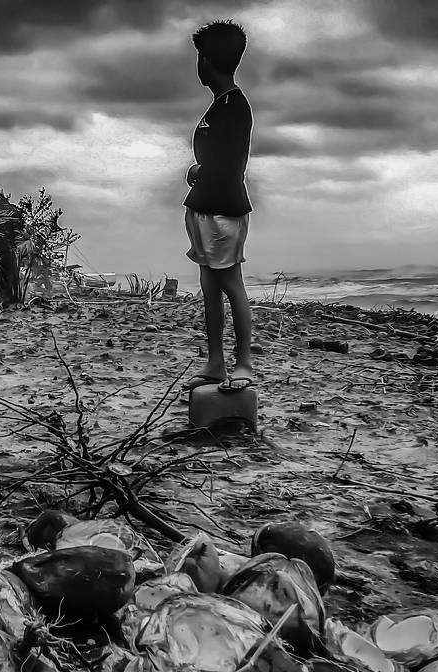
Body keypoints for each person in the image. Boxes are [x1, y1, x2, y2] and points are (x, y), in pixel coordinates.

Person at [182, 19, 256, 392]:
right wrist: (200, 170)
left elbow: (231, 164)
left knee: (231, 285)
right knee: (209, 286)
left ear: (207, 61)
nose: (197, 64)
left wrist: (201, 170)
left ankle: (243, 364)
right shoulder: (218, 106)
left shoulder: (235, 105)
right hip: (204, 206)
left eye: (199, 57)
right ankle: (215, 363)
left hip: (224, 210)